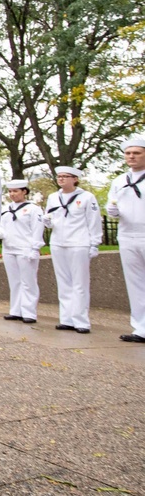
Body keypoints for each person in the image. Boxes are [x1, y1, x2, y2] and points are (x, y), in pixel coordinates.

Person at [43, 166, 101, 334]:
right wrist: (48, 222)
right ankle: (66, 319)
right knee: (63, 283)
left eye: (65, 176)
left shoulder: (86, 197)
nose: (61, 179)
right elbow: (53, 219)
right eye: (59, 176)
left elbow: (93, 221)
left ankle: (81, 320)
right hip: (58, 242)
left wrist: (95, 243)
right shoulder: (54, 197)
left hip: (79, 242)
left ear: (75, 179)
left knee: (79, 283)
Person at [106, 137, 145, 343]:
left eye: (137, 153)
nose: (131, 156)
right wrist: (111, 211)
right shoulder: (120, 181)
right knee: (135, 282)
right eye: (128, 153)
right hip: (127, 235)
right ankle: (140, 328)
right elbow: (112, 207)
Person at [0, 179, 45, 323]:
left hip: (25, 248)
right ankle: (16, 310)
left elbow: (37, 229)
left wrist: (35, 248)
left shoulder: (33, 209)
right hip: (9, 248)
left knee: (28, 282)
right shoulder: (5, 209)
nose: (12, 194)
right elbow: (0, 225)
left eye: (16, 191)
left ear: (24, 192)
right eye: (10, 191)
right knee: (15, 282)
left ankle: (29, 312)